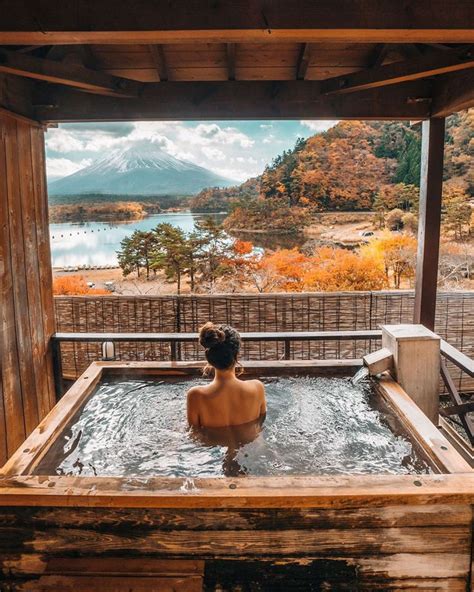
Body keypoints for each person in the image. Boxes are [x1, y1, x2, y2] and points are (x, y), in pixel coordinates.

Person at [186, 322, 266, 428]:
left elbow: (193, 433)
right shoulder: (257, 388)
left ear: (209, 358)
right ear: (236, 355)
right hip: (253, 444)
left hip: (211, 444)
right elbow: (261, 425)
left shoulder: (196, 396)